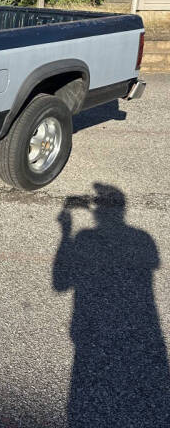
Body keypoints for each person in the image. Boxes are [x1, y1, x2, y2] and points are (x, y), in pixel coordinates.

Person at [53, 183, 170, 427]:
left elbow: (60, 284)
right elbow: (152, 265)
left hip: (87, 332)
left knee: (84, 400)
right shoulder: (143, 238)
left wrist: (66, 232)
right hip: (144, 326)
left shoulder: (84, 237)